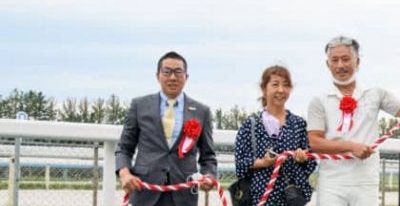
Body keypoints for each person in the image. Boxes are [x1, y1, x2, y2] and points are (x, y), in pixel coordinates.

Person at [307, 35, 400, 206]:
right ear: (328, 64)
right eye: (335, 60)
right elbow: (315, 142)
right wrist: (351, 147)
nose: (340, 65)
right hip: (331, 182)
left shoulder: (375, 94)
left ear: (357, 62)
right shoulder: (319, 100)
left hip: (366, 181)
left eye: (345, 59)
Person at [115, 51, 218, 206]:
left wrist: (209, 176)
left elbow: (208, 156)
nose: (173, 77)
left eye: (178, 72)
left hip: (184, 193)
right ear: (158, 76)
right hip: (145, 191)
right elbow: (124, 148)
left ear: (186, 77)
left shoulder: (201, 111)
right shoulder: (139, 106)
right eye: (167, 72)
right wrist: (124, 173)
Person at [234, 65, 316, 206]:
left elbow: (311, 162)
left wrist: (302, 158)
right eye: (275, 84)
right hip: (259, 197)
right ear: (264, 89)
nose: (281, 90)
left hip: (291, 198)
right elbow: (240, 164)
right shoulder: (250, 125)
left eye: (286, 85)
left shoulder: (299, 124)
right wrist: (263, 163)